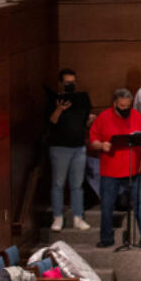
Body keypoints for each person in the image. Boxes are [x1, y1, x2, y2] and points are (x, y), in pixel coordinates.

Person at [88, 88, 141, 249]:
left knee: (140, 204)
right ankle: (106, 238)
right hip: (110, 171)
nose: (125, 109)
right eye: (122, 106)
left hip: (133, 170)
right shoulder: (104, 117)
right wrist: (101, 145)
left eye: (128, 106)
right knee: (107, 205)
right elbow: (93, 140)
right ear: (115, 104)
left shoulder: (137, 116)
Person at [46, 68, 94, 232]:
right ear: (61, 83)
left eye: (73, 83)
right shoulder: (54, 99)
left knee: (77, 185)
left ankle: (78, 218)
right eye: (67, 83)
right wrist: (60, 108)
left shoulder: (81, 99)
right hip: (59, 147)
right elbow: (51, 121)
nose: (70, 85)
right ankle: (57, 218)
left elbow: (85, 122)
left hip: (79, 147)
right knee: (58, 184)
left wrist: (90, 121)